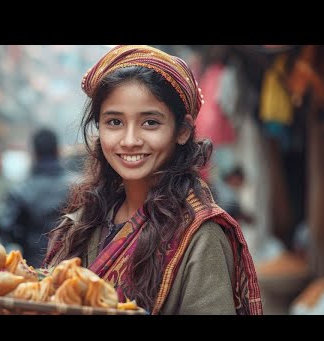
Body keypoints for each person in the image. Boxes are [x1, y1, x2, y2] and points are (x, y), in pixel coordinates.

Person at [43, 45, 263, 315]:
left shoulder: (199, 236)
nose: (130, 140)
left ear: (182, 131)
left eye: (150, 123)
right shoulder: (86, 219)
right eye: (114, 122)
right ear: (99, 128)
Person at [0, 128, 72, 268]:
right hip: (71, 269)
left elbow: (4, 228)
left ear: (34, 154)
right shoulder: (79, 188)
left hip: (33, 270)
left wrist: (22, 239)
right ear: (58, 151)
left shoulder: (20, 191)